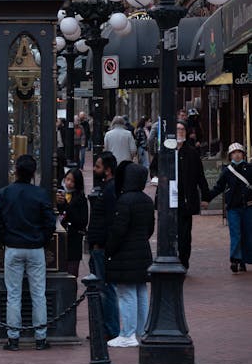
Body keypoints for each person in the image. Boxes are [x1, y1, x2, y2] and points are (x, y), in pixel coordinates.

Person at [0, 154, 56, 351]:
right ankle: (40, 338)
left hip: (13, 247)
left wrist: (6, 238)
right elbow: (50, 222)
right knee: (38, 294)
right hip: (35, 248)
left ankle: (13, 338)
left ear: (16, 171)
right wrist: (42, 239)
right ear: (33, 173)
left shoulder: (4, 193)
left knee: (13, 294)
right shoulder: (41, 194)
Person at [106, 161, 155, 348]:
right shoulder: (146, 200)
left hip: (125, 252)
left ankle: (127, 333)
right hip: (142, 250)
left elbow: (119, 230)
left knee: (126, 293)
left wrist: (110, 248)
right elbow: (150, 228)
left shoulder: (125, 200)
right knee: (140, 291)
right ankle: (140, 331)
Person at [150, 119, 210, 269]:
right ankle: (168, 258)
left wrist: (206, 197)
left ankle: (183, 262)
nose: (180, 133)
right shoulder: (164, 151)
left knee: (184, 235)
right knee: (167, 232)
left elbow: (200, 176)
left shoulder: (192, 153)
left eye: (182, 130)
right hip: (167, 198)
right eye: (177, 130)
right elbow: (154, 169)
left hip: (185, 200)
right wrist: (157, 178)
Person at [203, 142, 252, 273]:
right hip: (233, 208)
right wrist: (207, 199)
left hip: (248, 207)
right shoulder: (227, 171)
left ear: (243, 154)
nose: (237, 155)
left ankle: (244, 260)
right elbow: (218, 187)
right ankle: (235, 260)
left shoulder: (250, 168)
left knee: (248, 234)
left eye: (239, 152)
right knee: (236, 234)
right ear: (230, 156)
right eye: (234, 153)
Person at [87, 152, 120, 340]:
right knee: (101, 288)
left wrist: (103, 244)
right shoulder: (106, 188)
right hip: (98, 245)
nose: (94, 169)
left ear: (107, 170)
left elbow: (109, 220)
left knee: (105, 289)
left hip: (102, 247)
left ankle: (110, 329)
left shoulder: (110, 190)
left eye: (98, 166)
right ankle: (104, 327)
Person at [56, 167, 88, 277]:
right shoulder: (58, 192)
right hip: (58, 238)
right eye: (67, 179)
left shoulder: (80, 198)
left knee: (71, 272)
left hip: (73, 240)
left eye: (72, 181)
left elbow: (82, 221)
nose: (68, 183)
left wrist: (65, 204)